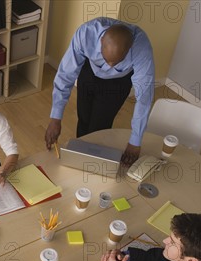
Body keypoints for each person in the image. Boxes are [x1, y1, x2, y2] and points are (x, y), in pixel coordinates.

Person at [45, 17, 155, 166]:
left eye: (116, 62)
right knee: (83, 119)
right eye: (106, 58)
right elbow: (65, 75)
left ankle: (93, 163)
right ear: (101, 40)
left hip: (118, 83)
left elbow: (144, 97)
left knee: (99, 126)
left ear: (130, 49)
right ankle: (81, 159)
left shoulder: (141, 48)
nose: (109, 66)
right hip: (89, 72)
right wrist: (55, 118)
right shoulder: (86, 34)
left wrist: (135, 141)